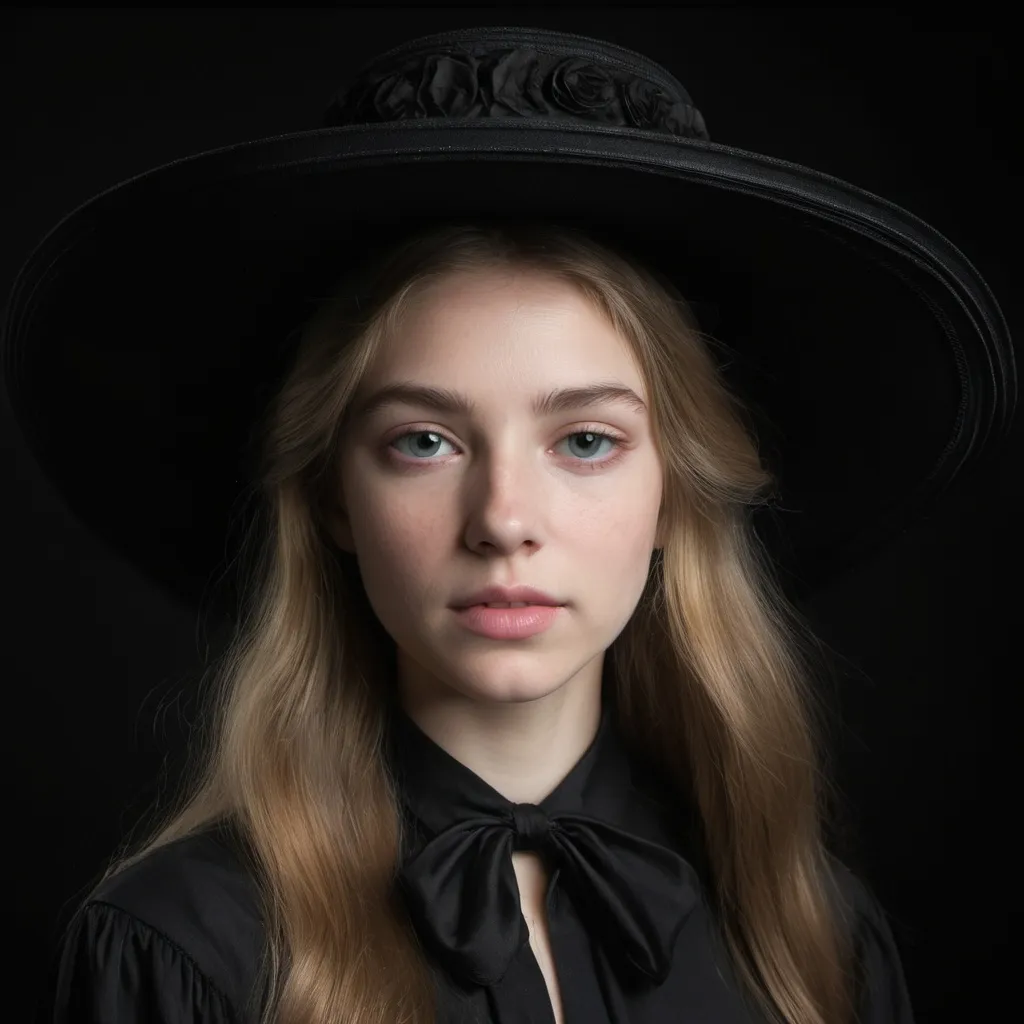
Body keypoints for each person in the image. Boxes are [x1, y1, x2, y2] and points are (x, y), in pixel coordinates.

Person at [12, 22, 1011, 1024]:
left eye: (584, 441)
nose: (502, 521)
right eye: (424, 441)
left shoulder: (812, 939)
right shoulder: (180, 943)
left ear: (676, 492)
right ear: (330, 499)